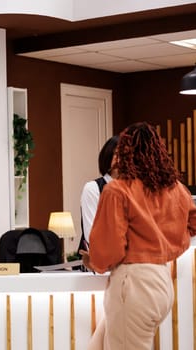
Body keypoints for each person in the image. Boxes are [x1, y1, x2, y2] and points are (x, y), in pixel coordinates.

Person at [80, 122, 196, 350]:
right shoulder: (176, 189)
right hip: (161, 283)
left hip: (132, 285)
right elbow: (192, 223)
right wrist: (166, 247)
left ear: (123, 153)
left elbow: (107, 252)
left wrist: (92, 260)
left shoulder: (117, 190)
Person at [78, 135, 119, 252]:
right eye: (116, 154)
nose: (120, 160)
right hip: (99, 263)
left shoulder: (136, 190)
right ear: (107, 156)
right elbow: (92, 236)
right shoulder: (93, 188)